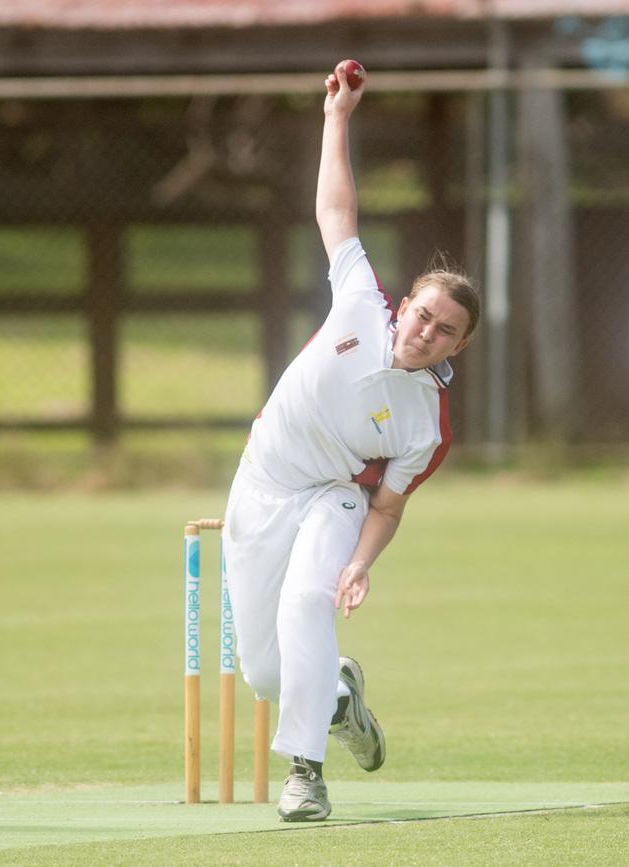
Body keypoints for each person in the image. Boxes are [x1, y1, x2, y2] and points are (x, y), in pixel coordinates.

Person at [222, 61, 480, 822]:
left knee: (309, 600)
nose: (427, 333)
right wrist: (338, 116)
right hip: (259, 484)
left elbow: (389, 505)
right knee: (265, 673)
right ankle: (341, 695)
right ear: (403, 308)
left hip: (330, 497)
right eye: (425, 316)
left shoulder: (427, 424)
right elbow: (336, 207)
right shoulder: (361, 302)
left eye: (447, 332)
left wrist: (360, 564)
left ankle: (305, 775)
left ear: (456, 349)